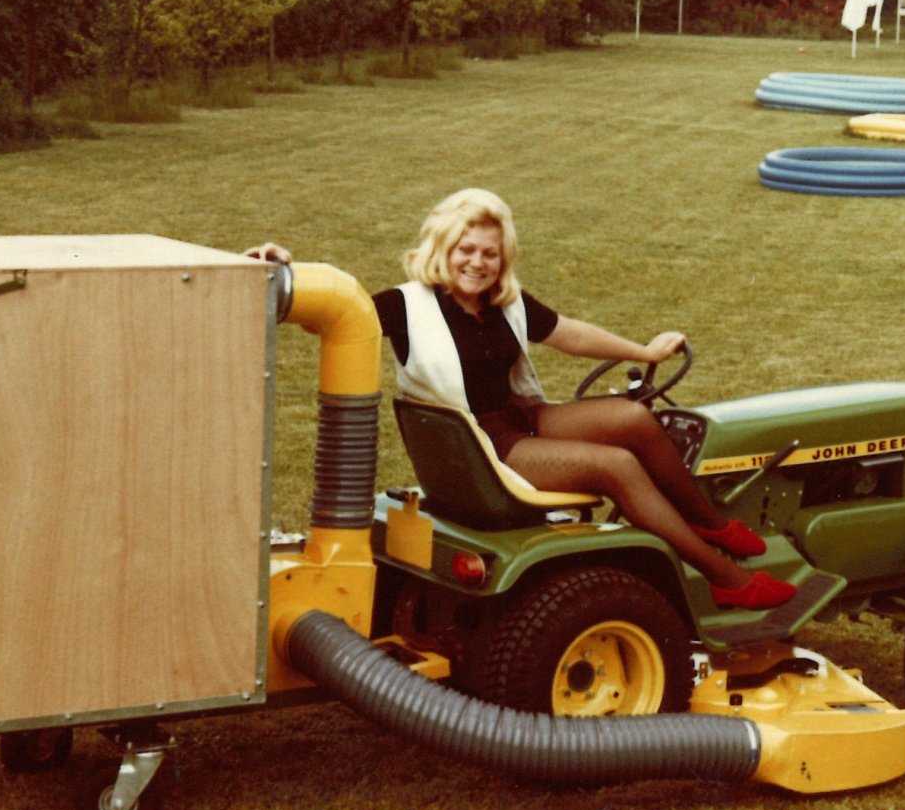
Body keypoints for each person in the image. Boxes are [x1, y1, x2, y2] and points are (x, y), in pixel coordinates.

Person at [247, 190, 795, 611]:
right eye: (466, 249)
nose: (477, 263)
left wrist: (643, 349)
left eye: (490, 253)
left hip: (524, 421)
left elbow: (569, 333)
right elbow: (332, 315)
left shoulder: (502, 302)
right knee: (616, 466)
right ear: (443, 249)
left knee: (633, 418)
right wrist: (278, 271)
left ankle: (709, 523)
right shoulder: (404, 305)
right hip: (482, 449)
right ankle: (727, 580)